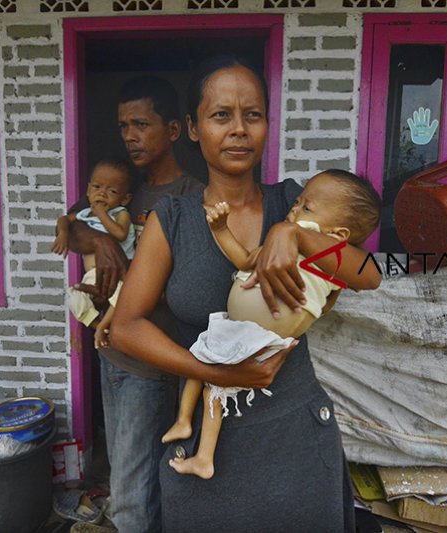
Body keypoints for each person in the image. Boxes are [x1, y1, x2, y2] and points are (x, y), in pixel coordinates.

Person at [111, 56, 381, 532]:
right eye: (221, 116)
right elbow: (125, 328)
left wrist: (292, 234)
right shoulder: (170, 220)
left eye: (252, 115)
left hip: (295, 438)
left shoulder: (297, 203)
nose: (239, 129)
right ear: (193, 128)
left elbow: (368, 273)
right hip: (205, 443)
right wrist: (215, 371)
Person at [162, 169, 382, 480]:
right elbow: (244, 261)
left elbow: (362, 279)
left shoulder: (324, 249)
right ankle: (185, 422)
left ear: (339, 235)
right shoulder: (283, 245)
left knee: (212, 381)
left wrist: (296, 234)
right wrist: (222, 229)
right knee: (200, 362)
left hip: (261, 334)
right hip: (241, 327)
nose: (294, 209)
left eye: (306, 208)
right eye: (298, 201)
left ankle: (202, 454)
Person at [63, 76, 204, 533]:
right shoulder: (122, 189)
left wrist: (123, 272)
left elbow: (189, 285)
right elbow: (69, 225)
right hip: (112, 353)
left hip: (153, 363)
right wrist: (101, 242)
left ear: (176, 130)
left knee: (131, 490)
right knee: (131, 475)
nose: (129, 135)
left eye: (142, 124)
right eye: (124, 125)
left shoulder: (191, 197)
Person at [52, 157, 134, 349]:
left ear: (125, 199)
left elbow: (120, 234)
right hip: (92, 276)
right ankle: (98, 326)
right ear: (88, 190)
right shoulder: (84, 212)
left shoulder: (121, 213)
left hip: (118, 275)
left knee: (123, 294)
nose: (102, 194)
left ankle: (105, 326)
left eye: (112, 191)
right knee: (74, 295)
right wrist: (63, 234)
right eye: (97, 187)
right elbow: (64, 219)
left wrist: (102, 213)